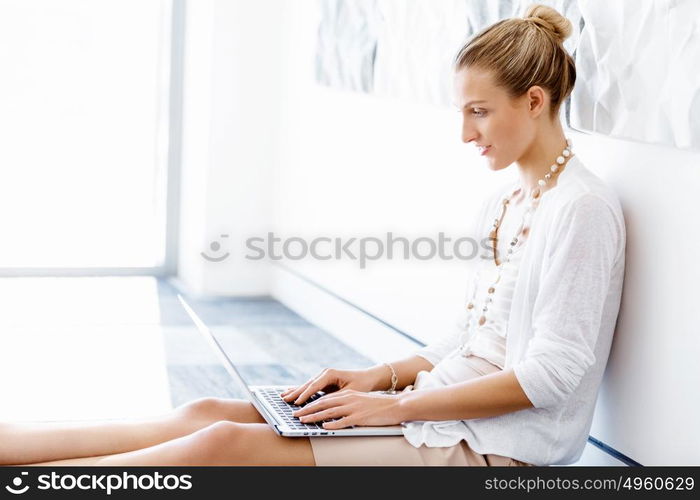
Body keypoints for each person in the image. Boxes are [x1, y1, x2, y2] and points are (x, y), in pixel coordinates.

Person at [1, 3, 625, 466]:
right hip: (439, 406)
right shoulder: (505, 201)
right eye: (461, 111)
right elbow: (469, 340)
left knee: (220, 447)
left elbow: (553, 376)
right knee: (207, 413)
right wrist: (376, 378)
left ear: (536, 101)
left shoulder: (583, 210)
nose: (465, 133)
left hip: (498, 448)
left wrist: (396, 408)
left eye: (479, 111)